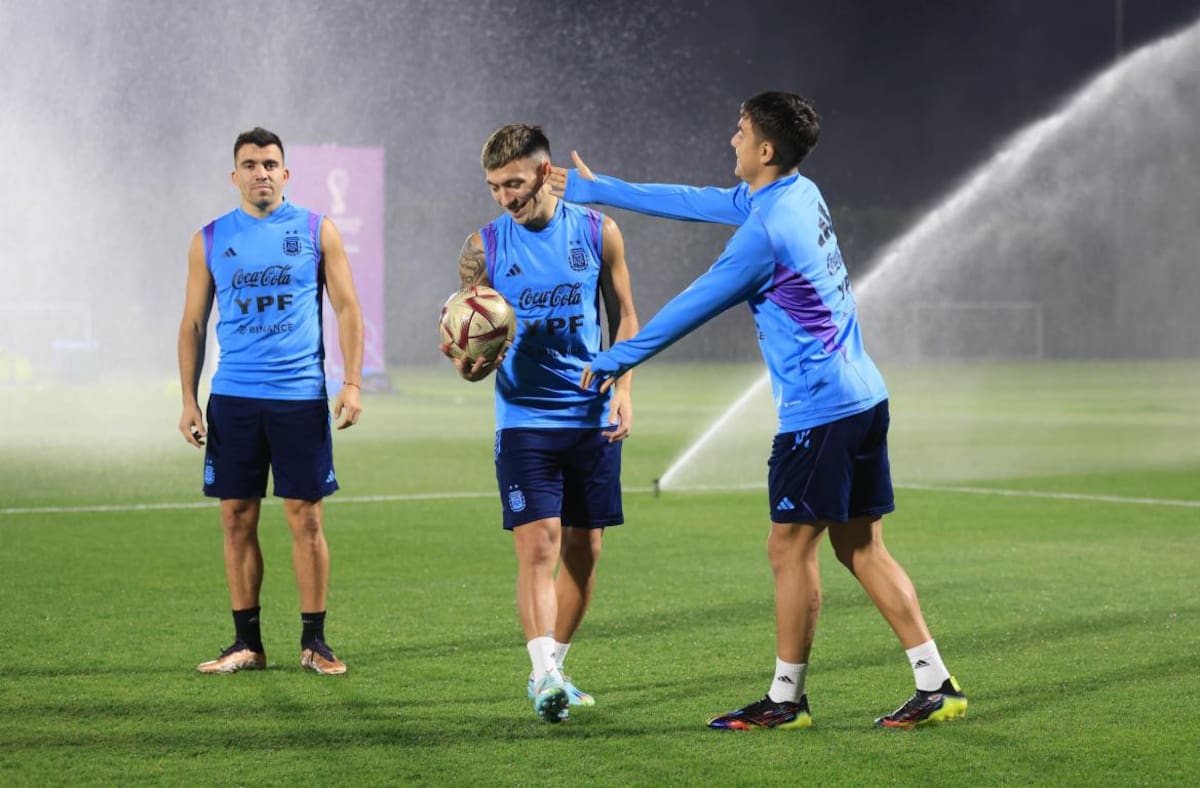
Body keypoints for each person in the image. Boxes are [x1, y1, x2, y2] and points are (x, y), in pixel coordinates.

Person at [548, 92, 967, 730]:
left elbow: (693, 306)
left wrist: (615, 359)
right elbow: (696, 201)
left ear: (765, 150)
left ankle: (786, 699)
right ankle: (936, 682)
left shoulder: (765, 233)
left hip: (819, 412)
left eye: (740, 132)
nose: (731, 139)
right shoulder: (798, 193)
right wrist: (598, 188)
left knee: (787, 549)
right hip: (864, 398)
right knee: (861, 547)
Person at [445, 124, 639, 723]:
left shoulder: (597, 231)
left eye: (513, 183)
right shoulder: (483, 249)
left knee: (585, 552)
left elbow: (626, 317)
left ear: (545, 171)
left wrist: (624, 388)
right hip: (524, 420)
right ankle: (544, 673)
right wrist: (473, 365)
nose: (504, 196)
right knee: (539, 549)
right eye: (493, 187)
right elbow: (468, 345)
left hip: (591, 417)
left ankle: (552, 668)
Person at [177, 127, 364, 676]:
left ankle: (315, 642)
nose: (261, 172)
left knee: (305, 519)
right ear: (234, 176)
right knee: (236, 518)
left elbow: (348, 309)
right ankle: (246, 644)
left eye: (271, 164)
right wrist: (188, 399)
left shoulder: (315, 230)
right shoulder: (210, 239)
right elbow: (192, 324)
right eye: (251, 164)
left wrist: (351, 382)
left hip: (299, 397)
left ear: (286, 174)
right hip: (233, 397)